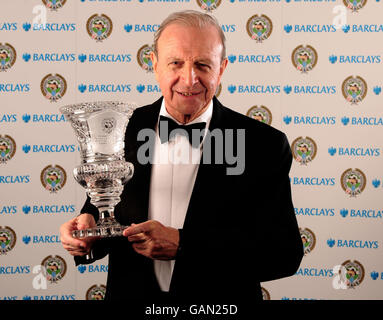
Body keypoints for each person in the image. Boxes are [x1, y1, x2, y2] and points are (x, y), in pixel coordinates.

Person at [60, 10, 303, 304]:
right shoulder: (121, 128)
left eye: (203, 64)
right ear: (154, 65)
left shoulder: (263, 144)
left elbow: (283, 254)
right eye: (175, 63)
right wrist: (86, 233)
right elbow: (102, 213)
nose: (189, 80)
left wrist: (183, 245)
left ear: (222, 69)